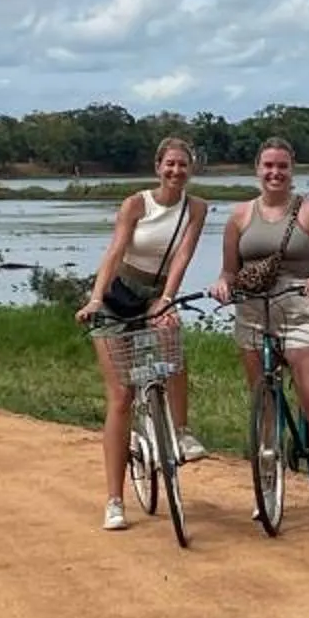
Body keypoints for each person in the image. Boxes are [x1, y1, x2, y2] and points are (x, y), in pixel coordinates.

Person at [207, 136, 309, 530]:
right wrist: (222, 285)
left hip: (300, 312)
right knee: (263, 406)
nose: (275, 173)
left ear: (292, 169)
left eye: (282, 166)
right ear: (257, 169)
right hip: (253, 313)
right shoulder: (238, 216)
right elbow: (229, 271)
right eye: (268, 166)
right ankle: (267, 487)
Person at [76, 135, 211, 531]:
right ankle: (114, 500)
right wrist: (96, 299)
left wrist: (166, 299)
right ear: (158, 167)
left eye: (183, 165)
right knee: (121, 395)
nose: (175, 171)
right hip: (118, 296)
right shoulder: (137, 204)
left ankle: (182, 432)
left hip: (156, 295)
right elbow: (115, 252)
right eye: (169, 164)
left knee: (174, 348)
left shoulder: (197, 209)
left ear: (191, 169)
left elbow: (183, 257)